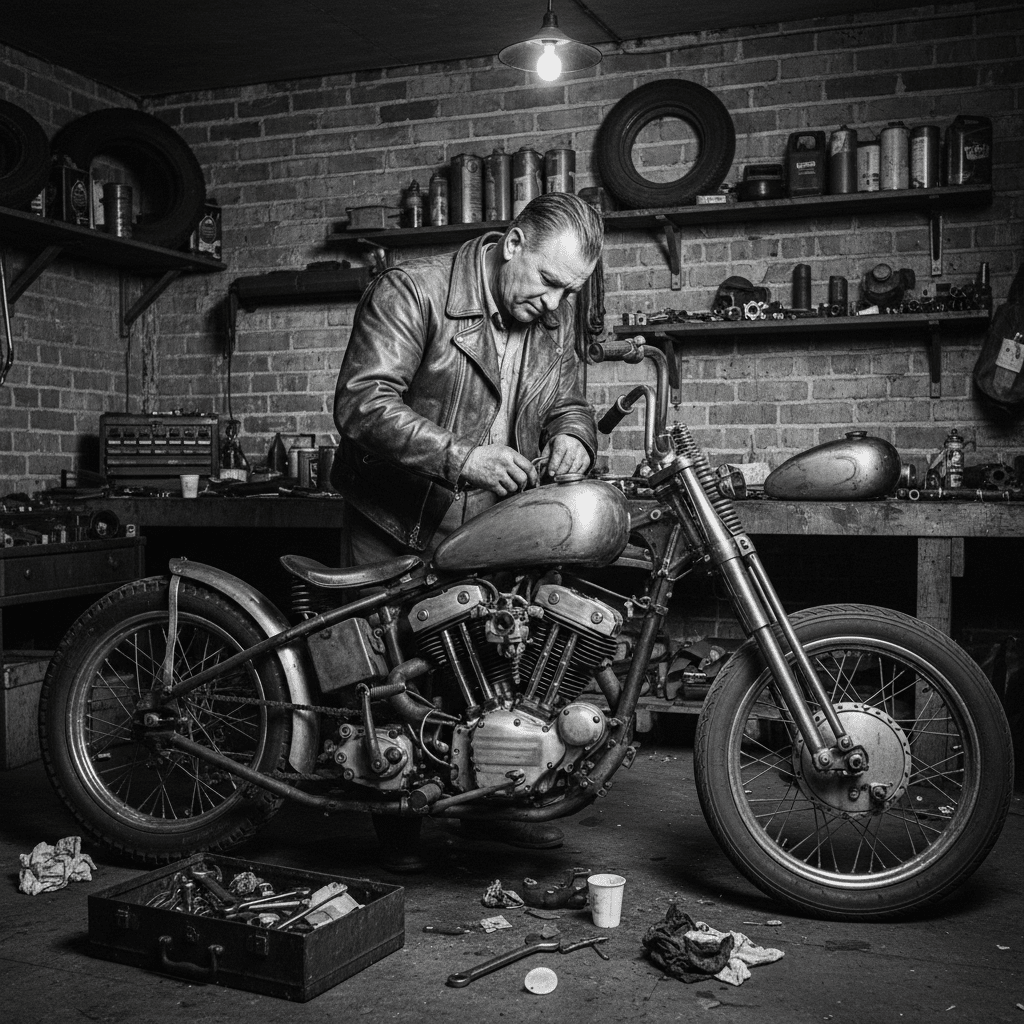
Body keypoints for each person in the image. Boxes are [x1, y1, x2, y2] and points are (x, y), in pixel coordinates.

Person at [331, 192, 603, 871]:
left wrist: (574, 438)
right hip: (398, 517)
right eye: (547, 282)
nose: (553, 303)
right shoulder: (413, 290)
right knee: (390, 679)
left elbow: (569, 401)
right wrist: (461, 456)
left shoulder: (553, 317)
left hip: (492, 528)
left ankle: (491, 810)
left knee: (490, 674)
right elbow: (363, 403)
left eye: (568, 291)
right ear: (513, 241)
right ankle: (396, 825)